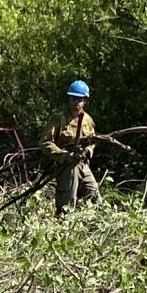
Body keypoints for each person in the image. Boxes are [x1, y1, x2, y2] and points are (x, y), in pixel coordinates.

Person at [41, 79, 102, 216]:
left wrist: (88, 151)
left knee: (95, 198)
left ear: (85, 101)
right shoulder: (59, 119)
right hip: (66, 166)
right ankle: (63, 231)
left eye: (79, 99)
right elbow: (45, 143)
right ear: (69, 99)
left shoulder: (87, 120)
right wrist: (64, 155)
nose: (76, 102)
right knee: (67, 205)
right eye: (73, 98)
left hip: (83, 165)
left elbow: (93, 140)